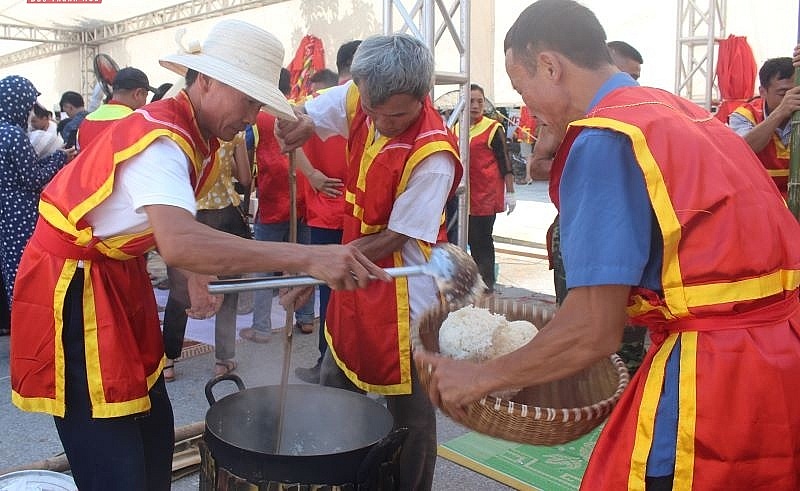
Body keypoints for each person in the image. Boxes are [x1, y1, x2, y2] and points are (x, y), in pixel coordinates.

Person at [416, 1, 800, 489]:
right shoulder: (679, 110)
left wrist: (480, 377)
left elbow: (594, 330)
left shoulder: (605, 137)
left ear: (551, 67)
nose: (527, 108)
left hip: (711, 381)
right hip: (781, 358)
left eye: (521, 87)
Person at [9, 20, 388, 491]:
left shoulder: (198, 132)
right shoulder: (165, 141)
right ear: (204, 80)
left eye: (257, 102)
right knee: (110, 448)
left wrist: (191, 272)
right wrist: (307, 258)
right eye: (246, 99)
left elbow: (158, 223)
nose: (251, 116)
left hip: (115, 274)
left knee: (150, 422)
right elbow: (180, 239)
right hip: (75, 285)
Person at [278, 33, 462, 490]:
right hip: (353, 276)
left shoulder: (432, 152)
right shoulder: (366, 94)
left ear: (423, 96)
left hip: (406, 288)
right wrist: (298, 122)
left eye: (396, 114)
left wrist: (315, 265)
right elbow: (312, 115)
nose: (380, 122)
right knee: (336, 375)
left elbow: (396, 236)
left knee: (413, 412)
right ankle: (337, 476)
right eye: (373, 111)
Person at [294, 40, 361, 384]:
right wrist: (314, 175)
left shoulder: (320, 104)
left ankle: (334, 364)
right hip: (352, 214)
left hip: (337, 213)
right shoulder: (349, 102)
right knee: (346, 292)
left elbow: (285, 139)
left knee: (331, 292)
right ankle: (336, 365)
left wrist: (311, 175)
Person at [162, 132, 252, 381]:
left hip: (190, 215)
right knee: (228, 287)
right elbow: (244, 178)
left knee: (181, 290)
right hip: (227, 218)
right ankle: (223, 360)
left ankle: (168, 360)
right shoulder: (235, 134)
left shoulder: (184, 134)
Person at [240, 68, 316, 344]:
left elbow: (246, 154)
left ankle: (261, 327)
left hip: (272, 203)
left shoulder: (256, 118)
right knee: (302, 262)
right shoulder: (303, 112)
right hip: (302, 201)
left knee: (264, 266)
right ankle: (306, 318)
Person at [0, 76, 75, 321]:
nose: (31, 111)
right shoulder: (14, 136)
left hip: (4, 213)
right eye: (29, 104)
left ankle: (20, 325)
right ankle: (37, 327)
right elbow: (33, 179)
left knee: (13, 272)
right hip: (20, 212)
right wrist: (59, 159)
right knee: (31, 272)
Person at [456, 83, 515, 293]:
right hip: (462, 195)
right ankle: (468, 282)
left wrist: (511, 193)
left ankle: (487, 283)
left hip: (485, 195)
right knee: (462, 239)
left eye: (479, 101)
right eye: (471, 101)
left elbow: (505, 161)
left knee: (481, 240)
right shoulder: (456, 125)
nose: (475, 105)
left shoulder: (493, 127)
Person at [728, 56, 800, 197]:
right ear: (762, 92)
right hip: (759, 198)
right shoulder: (744, 115)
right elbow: (742, 149)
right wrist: (780, 112)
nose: (790, 98)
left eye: (795, 92)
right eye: (783, 93)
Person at [77, 67, 153, 149]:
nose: (146, 101)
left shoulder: (86, 121)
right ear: (137, 94)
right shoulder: (138, 122)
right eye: (146, 96)